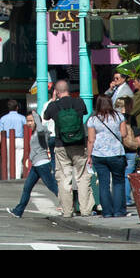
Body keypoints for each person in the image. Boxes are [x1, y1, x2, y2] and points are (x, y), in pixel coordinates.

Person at [42, 78, 90, 218]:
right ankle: (85, 209)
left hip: (61, 144)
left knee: (64, 178)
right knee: (82, 177)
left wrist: (54, 99)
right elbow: (85, 112)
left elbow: (45, 116)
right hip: (79, 144)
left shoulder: (54, 106)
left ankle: (67, 211)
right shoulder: (79, 102)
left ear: (57, 92)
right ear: (69, 90)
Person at [7, 110, 58, 217]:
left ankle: (69, 205)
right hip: (36, 165)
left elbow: (40, 129)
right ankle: (18, 211)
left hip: (42, 164)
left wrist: (35, 114)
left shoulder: (42, 130)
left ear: (36, 121)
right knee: (27, 187)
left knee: (52, 186)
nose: (28, 123)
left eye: (31, 121)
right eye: (27, 121)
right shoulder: (34, 132)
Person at [87, 93, 129, 217]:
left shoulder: (93, 119)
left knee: (103, 183)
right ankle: (119, 211)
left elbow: (91, 140)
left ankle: (107, 212)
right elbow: (123, 134)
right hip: (116, 153)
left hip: (99, 155)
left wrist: (89, 156)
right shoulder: (119, 116)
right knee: (118, 182)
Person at [0, 100, 26, 168]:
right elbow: (27, 130)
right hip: (20, 140)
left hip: (7, 141)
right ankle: (18, 177)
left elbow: (0, 133)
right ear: (17, 107)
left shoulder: (3, 118)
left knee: (8, 160)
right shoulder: (22, 118)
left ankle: (9, 177)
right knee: (19, 161)